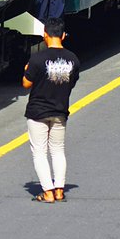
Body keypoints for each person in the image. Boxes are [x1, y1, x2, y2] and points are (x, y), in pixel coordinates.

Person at [23, 17, 80, 203]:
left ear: (44, 35)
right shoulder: (73, 59)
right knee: (58, 150)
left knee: (39, 152)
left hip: (37, 112)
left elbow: (26, 84)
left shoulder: (37, 59)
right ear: (63, 36)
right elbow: (71, 83)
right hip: (60, 111)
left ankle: (47, 192)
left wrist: (26, 70)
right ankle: (59, 190)